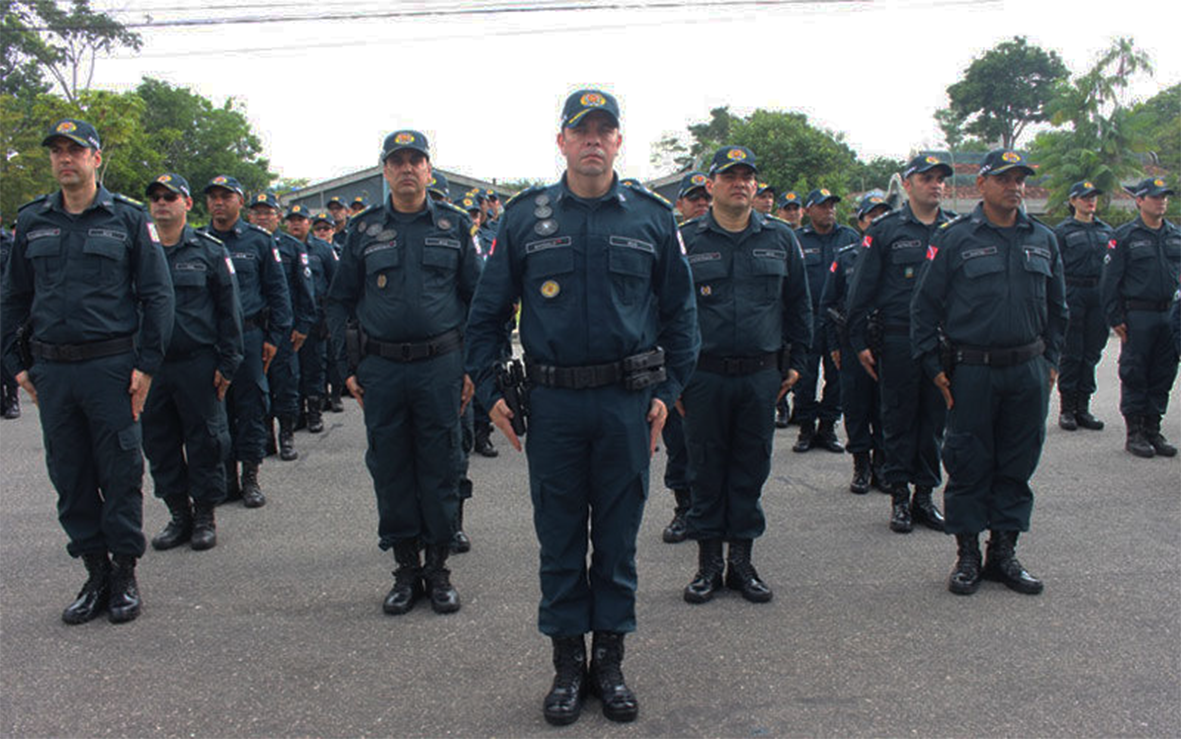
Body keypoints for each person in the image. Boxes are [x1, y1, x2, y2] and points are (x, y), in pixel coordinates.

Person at [464, 89, 698, 726]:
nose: (593, 140)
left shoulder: (652, 217)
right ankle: (568, 665)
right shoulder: (523, 219)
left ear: (619, 142)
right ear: (561, 141)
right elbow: (484, 318)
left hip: (627, 404)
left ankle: (611, 662)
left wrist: (665, 393)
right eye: (581, 130)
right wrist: (490, 395)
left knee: (618, 540)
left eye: (605, 130)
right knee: (561, 539)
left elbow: (681, 317)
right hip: (556, 406)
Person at [1, 119, 174, 624]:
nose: (65, 159)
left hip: (111, 367)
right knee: (70, 473)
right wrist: (16, 366)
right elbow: (13, 297)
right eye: (57, 151)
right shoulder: (33, 220)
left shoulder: (126, 219)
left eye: (75, 150)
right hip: (53, 371)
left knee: (119, 471)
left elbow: (157, 296)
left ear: (96, 158)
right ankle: (94, 572)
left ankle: (124, 573)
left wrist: (146, 365)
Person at [326, 129, 480, 618]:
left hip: (441, 365)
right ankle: (404, 569)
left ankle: (438, 571)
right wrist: (347, 368)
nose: (408, 168)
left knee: (440, 466)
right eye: (398, 161)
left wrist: (475, 365)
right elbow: (339, 301)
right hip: (383, 369)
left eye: (417, 160)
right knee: (391, 468)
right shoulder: (364, 230)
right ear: (385, 171)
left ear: (430, 170)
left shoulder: (454, 226)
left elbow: (480, 301)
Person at [911, 149, 1067, 596]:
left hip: (1028, 370)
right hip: (973, 370)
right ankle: (967, 555)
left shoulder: (1044, 238)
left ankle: (1004, 552)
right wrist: (932, 366)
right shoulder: (956, 237)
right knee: (968, 460)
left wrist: (1051, 361)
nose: (1014, 186)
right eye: (1004, 178)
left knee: (1017, 462)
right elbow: (924, 306)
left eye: (1019, 179)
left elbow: (1059, 309)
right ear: (981, 185)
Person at [679, 145, 811, 605]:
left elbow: (799, 305)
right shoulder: (686, 240)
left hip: (760, 376)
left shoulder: (780, 238)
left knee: (751, 467)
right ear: (710, 185)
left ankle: (742, 562)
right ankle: (708, 564)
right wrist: (671, 377)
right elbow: (666, 311)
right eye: (729, 175)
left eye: (747, 176)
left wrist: (799, 363)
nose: (740, 183)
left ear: (755, 186)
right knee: (705, 469)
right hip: (704, 377)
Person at [847, 154, 955, 532]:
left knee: (934, 422)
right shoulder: (885, 230)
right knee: (897, 419)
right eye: (926, 178)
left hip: (940, 342)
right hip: (898, 338)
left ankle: (924, 496)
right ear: (907, 185)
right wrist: (859, 340)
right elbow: (860, 291)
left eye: (940, 178)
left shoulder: (955, 230)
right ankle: (898, 498)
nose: (935, 184)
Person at [141, 173, 243, 553]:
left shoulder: (209, 250)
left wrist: (229, 361)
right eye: (156, 197)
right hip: (153, 367)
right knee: (159, 443)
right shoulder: (140, 251)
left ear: (186, 203)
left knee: (205, 441)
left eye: (170, 197)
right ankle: (178, 513)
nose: (162, 203)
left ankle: (204, 515)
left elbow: (228, 311)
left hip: (197, 362)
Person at [200, 176, 292, 509]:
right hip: (209, 341)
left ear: (240, 201)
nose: (218, 202)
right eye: (213, 197)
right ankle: (226, 479)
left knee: (251, 407)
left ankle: (251, 477)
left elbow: (277, 291)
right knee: (216, 411)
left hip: (251, 337)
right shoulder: (197, 240)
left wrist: (275, 337)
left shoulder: (258, 241)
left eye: (226, 196)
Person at [1100, 177, 1180, 458]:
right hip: (1139, 314)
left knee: (1163, 373)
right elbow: (1110, 280)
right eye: (1155, 197)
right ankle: (1134, 432)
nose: (1162, 202)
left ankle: (1153, 429)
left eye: (1164, 197)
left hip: (1168, 314)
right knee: (1136, 373)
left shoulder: (1175, 235)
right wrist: (1115, 316)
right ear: (1139, 201)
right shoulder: (1124, 236)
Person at [821, 192, 888, 496]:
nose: (878, 220)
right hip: (852, 343)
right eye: (872, 215)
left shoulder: (898, 252)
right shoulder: (846, 256)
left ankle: (883, 466)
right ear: (861, 222)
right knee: (857, 406)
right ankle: (861, 465)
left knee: (887, 408)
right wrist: (835, 344)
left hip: (888, 343)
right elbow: (830, 302)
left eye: (884, 214)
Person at [660, 169, 711, 544]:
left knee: (720, 447)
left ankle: (715, 513)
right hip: (680, 361)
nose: (701, 204)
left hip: (719, 360)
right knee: (680, 442)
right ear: (679, 204)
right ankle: (684, 509)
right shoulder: (672, 241)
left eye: (705, 197)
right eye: (693, 198)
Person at [792, 188, 859, 452]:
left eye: (832, 205)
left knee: (837, 377)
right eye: (821, 205)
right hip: (807, 321)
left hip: (838, 322)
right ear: (808, 210)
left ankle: (828, 427)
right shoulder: (796, 239)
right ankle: (806, 428)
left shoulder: (850, 238)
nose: (829, 209)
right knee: (804, 378)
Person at [252, 193, 315, 461]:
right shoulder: (243, 242)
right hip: (254, 327)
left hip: (284, 328)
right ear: (249, 216)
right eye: (258, 213)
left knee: (286, 382)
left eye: (268, 213)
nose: (263, 218)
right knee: (257, 385)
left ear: (278, 216)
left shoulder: (291, 246)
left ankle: (286, 434)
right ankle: (265, 435)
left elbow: (304, 290)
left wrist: (302, 325)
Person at [1053, 181, 1115, 431]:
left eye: (1093, 197)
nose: (1091, 201)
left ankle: (1083, 407)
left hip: (1097, 294)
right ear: (1073, 201)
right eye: (1085, 197)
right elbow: (1054, 269)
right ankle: (1067, 409)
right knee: (1072, 353)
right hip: (1073, 292)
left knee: (1091, 353)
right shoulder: (1062, 232)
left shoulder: (1106, 231)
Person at [286, 204, 338, 434]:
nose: (296, 224)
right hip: (288, 318)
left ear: (309, 222)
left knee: (314, 367)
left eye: (301, 220)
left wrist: (329, 319)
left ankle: (315, 412)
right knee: (291, 371)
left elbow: (335, 285)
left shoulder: (323, 249)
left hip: (316, 318)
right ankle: (297, 414)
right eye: (292, 220)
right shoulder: (281, 247)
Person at [0, 213, 19, 419]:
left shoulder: (8, 243)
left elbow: (14, 276)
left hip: (3, 305)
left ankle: (13, 398)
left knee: (6, 352)